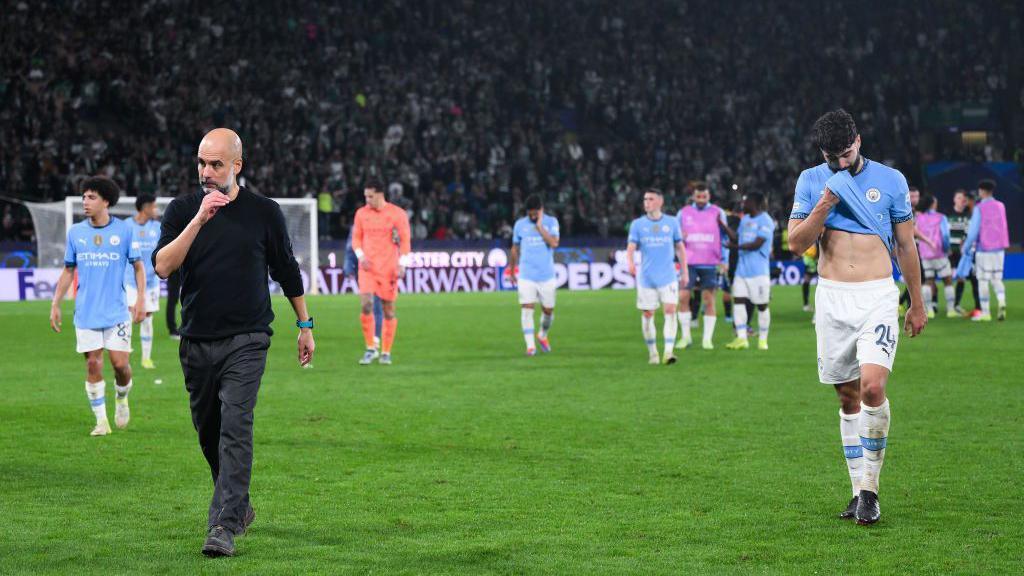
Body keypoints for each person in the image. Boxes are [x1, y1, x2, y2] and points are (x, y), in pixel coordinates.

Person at [152, 128, 315, 557]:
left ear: (237, 166)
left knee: (235, 428)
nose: (207, 172)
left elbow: (286, 269)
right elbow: (164, 267)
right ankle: (238, 506)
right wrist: (200, 218)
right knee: (210, 435)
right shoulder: (182, 210)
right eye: (202, 163)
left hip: (247, 339)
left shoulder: (264, 212)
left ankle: (222, 526)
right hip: (196, 341)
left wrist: (305, 324)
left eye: (216, 164)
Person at [788, 109, 926, 525]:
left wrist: (916, 302)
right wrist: (824, 205)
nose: (841, 163)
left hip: (877, 297)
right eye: (833, 156)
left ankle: (871, 489)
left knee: (871, 387)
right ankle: (855, 492)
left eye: (846, 153)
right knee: (847, 396)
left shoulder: (891, 181)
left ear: (859, 141)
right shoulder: (813, 181)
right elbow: (797, 244)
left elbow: (906, 247)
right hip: (832, 299)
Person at [49, 176, 146, 436]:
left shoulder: (124, 231)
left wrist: (140, 300)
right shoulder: (76, 233)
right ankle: (101, 421)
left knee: (119, 365)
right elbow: (68, 271)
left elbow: (138, 267)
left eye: (91, 197)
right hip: (86, 312)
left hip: (117, 311)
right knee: (93, 364)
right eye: (83, 197)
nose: (85, 202)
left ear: (106, 201)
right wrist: (55, 303)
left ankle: (122, 397)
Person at [352, 179, 411, 365]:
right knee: (367, 304)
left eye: (370, 196)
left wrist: (403, 263)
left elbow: (405, 240)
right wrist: (361, 256)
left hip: (389, 268)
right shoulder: (361, 214)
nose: (367, 199)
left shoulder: (397, 214)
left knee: (388, 310)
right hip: (367, 267)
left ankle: (386, 352)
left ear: (380, 194)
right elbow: (356, 239)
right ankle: (370, 348)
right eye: (365, 196)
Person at [626, 188, 688, 365]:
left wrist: (685, 271)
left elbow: (680, 248)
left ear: (660, 202)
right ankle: (653, 352)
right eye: (645, 199)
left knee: (670, 311)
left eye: (651, 199)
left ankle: (668, 352)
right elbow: (631, 247)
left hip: (668, 277)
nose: (647, 202)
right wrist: (630, 262)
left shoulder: (672, 222)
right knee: (648, 314)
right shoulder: (637, 224)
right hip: (646, 278)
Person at [720, 193, 775, 350]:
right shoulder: (745, 220)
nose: (743, 203)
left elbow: (756, 244)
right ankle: (742, 338)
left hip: (758, 272)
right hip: (741, 271)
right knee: (738, 302)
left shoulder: (766, 220)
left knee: (762, 306)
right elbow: (737, 238)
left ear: (756, 203)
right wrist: (722, 226)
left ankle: (763, 339)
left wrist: (734, 248)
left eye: (747, 200)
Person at [676, 182, 726, 350]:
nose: (701, 199)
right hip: (688, 263)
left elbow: (724, 237)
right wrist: (679, 238)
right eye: (698, 196)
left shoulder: (718, 212)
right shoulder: (683, 213)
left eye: (704, 196)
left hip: (710, 263)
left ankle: (707, 339)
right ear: (693, 197)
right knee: (683, 297)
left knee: (709, 300)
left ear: (709, 196)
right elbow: (675, 238)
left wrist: (724, 260)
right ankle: (686, 337)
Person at [509, 194, 560, 356]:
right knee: (527, 308)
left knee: (548, 310)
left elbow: (553, 243)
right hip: (526, 275)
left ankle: (542, 335)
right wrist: (512, 270)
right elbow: (515, 249)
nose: (532, 216)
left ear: (541, 210)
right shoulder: (519, 225)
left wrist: (539, 227)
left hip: (546, 275)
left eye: (535, 213)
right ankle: (530, 346)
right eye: (529, 213)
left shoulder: (551, 222)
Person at [955, 179, 1009, 321]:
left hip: (983, 249)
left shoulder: (979, 208)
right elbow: (1003, 227)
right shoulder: (1001, 206)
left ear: (982, 191)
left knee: (983, 280)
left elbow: (973, 231)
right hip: (999, 249)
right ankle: (1001, 301)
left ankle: (985, 313)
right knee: (997, 278)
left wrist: (966, 248)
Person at [123, 194, 162, 367]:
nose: (157, 210)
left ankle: (146, 357)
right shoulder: (126, 226)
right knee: (131, 316)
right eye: (154, 206)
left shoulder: (159, 227)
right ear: (145, 207)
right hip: (130, 280)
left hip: (152, 282)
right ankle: (125, 352)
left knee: (147, 317)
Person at [915, 194, 956, 318]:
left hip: (925, 254)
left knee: (928, 281)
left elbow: (916, 234)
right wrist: (947, 248)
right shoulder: (941, 217)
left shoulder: (919, 218)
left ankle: (929, 310)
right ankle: (951, 310)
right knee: (948, 281)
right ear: (933, 203)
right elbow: (945, 236)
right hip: (939, 253)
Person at [344, 226, 383, 349]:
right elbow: (350, 249)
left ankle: (374, 340)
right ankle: (372, 339)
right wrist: (348, 267)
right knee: (367, 306)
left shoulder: (385, 223)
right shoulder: (358, 226)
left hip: (380, 269)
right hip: (364, 271)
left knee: (376, 305)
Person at [947, 189, 978, 315]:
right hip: (950, 254)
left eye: (964, 199)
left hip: (965, 254)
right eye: (959, 198)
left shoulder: (969, 216)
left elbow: (971, 233)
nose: (962, 200)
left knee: (971, 278)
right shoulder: (948, 216)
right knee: (945, 279)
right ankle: (938, 305)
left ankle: (976, 306)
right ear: (954, 199)